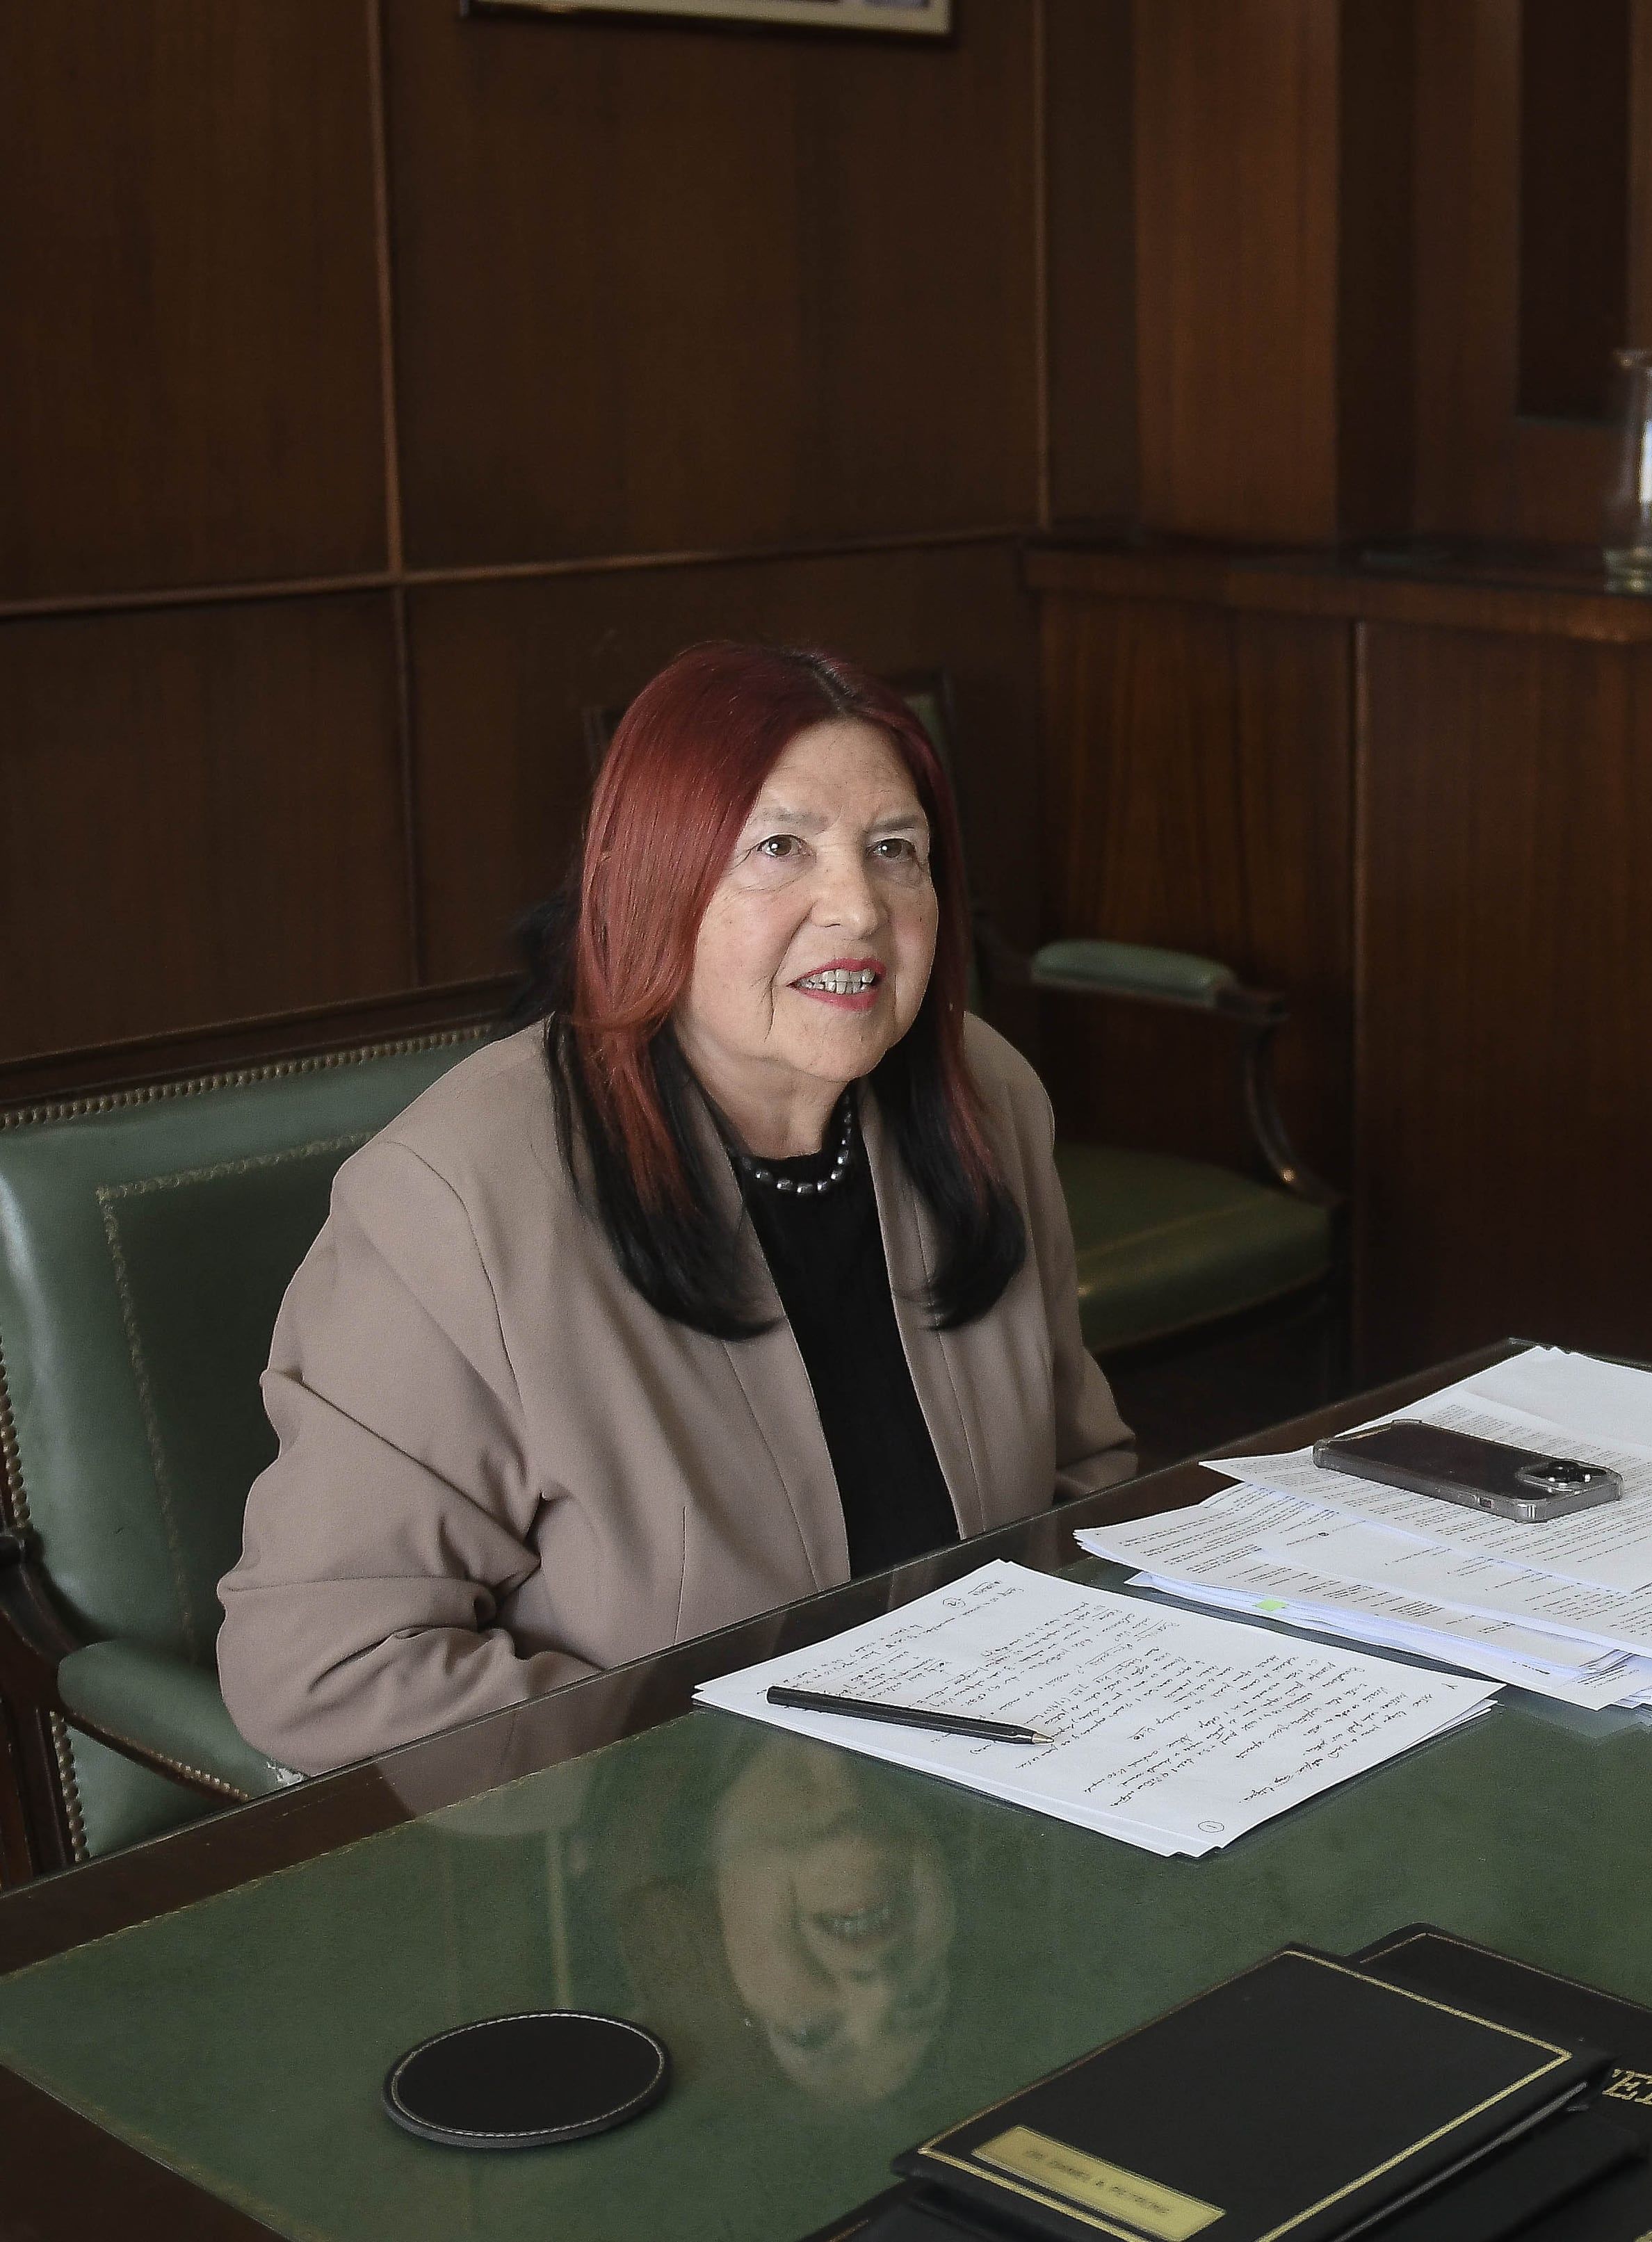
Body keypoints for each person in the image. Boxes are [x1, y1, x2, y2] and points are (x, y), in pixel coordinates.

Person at [219, 643, 1135, 1772]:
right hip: (656, 1883)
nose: (855, 905)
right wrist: (706, 1780)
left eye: (895, 850)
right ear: (656, 882)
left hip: (1014, 1794)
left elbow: (1084, 1478)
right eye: (780, 847)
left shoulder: (985, 1095)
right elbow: (321, 1665)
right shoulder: (455, 1202)